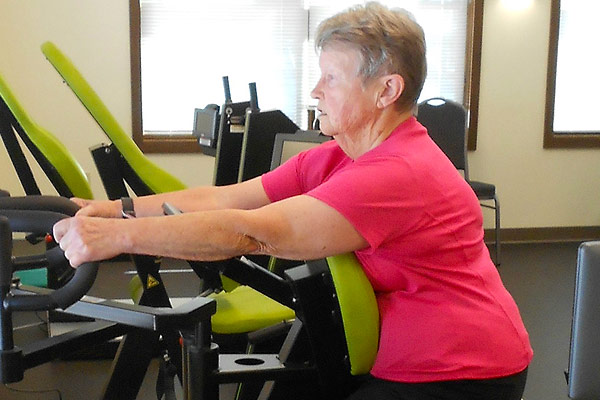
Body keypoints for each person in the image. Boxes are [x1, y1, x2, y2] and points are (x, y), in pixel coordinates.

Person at [53, 2, 532, 399]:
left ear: (387, 89)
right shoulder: (336, 156)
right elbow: (228, 199)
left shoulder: (399, 172)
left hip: (463, 371)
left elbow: (252, 231)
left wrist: (115, 236)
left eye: (331, 79)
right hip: (392, 346)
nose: (316, 91)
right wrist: (111, 210)